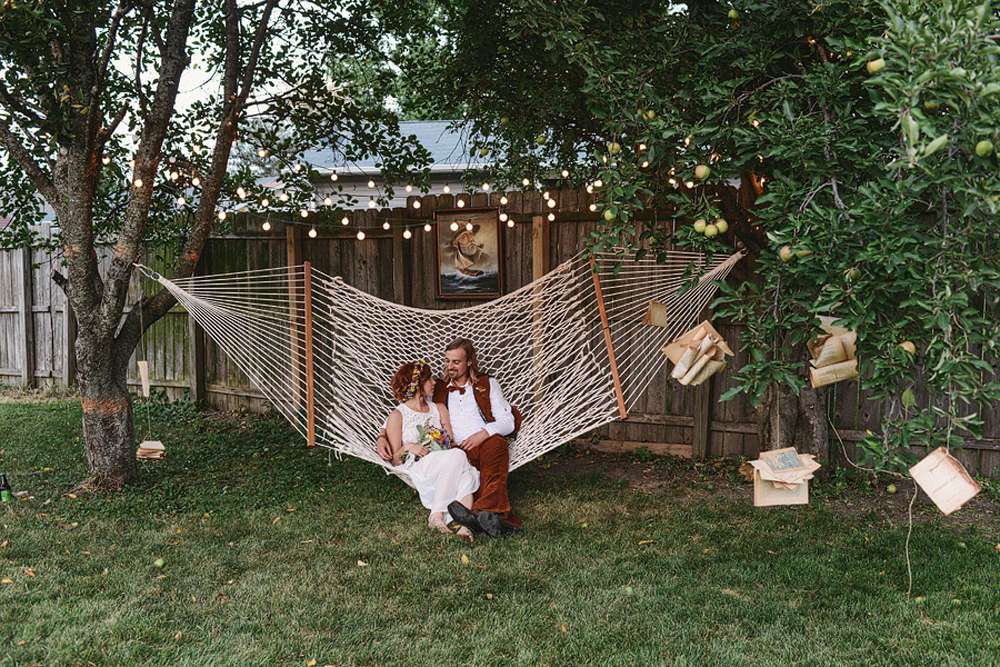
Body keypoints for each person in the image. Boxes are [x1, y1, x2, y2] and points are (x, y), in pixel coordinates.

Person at [378, 338, 522, 537]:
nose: (449, 367)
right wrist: (381, 436)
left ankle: (479, 514)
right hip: (450, 452)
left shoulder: (488, 384)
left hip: (481, 444)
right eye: (447, 361)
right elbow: (406, 412)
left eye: (456, 362)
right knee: (462, 464)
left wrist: (483, 434)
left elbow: (508, 421)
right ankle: (481, 517)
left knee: (495, 446)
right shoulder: (437, 388)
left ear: (469, 361)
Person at [384, 360, 479, 542]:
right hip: (419, 466)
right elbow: (395, 459)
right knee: (460, 460)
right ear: (419, 384)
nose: (434, 383)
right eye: (429, 379)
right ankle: (439, 516)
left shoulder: (439, 408)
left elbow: (450, 442)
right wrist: (409, 447)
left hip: (445, 461)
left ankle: (455, 522)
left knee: (466, 473)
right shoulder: (397, 415)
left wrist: (439, 440)